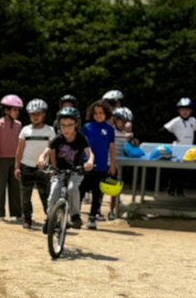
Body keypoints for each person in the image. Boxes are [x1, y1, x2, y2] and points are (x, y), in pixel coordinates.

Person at [42, 107, 94, 230]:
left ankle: (75, 215)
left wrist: (90, 162)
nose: (66, 128)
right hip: (59, 172)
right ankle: (50, 219)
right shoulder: (58, 139)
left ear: (76, 124)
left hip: (76, 172)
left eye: (70, 125)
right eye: (63, 125)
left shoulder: (81, 138)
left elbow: (90, 153)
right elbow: (46, 151)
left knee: (72, 189)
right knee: (53, 195)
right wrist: (41, 159)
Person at [14, 98, 54, 230]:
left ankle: (50, 219)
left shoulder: (50, 131)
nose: (35, 117)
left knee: (46, 196)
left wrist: (53, 167)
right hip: (26, 167)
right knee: (25, 196)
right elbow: (19, 150)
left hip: (43, 168)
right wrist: (17, 167)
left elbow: (52, 151)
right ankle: (27, 219)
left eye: (38, 114)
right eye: (32, 114)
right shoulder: (25, 130)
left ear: (44, 114)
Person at [80, 99, 117, 229]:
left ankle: (92, 218)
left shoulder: (110, 129)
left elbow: (112, 148)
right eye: (95, 113)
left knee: (97, 194)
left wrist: (112, 165)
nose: (98, 115)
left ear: (106, 114)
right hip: (86, 165)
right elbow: (81, 145)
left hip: (101, 166)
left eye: (101, 113)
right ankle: (75, 216)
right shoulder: (87, 127)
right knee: (80, 190)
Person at [0, 94, 24, 221]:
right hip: (1, 160)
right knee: (0, 187)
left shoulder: (19, 125)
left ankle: (17, 213)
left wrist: (20, 161)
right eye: (14, 109)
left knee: (15, 188)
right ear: (6, 110)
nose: (17, 112)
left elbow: (21, 144)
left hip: (15, 161)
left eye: (18, 110)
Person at [162, 98, 196, 196]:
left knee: (184, 172)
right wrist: (173, 138)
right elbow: (163, 130)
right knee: (175, 171)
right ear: (179, 111)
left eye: (187, 109)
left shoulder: (193, 120)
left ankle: (180, 191)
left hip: (189, 151)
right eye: (182, 109)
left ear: (191, 111)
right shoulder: (176, 121)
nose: (185, 112)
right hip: (177, 150)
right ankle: (171, 190)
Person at [110, 107, 137, 219]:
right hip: (108, 163)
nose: (123, 124)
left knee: (116, 190)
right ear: (115, 120)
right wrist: (125, 136)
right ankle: (97, 211)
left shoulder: (125, 133)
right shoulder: (111, 130)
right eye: (121, 121)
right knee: (101, 188)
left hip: (119, 165)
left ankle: (113, 210)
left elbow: (134, 146)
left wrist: (132, 140)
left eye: (124, 122)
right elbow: (111, 137)